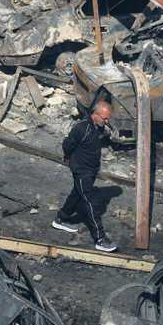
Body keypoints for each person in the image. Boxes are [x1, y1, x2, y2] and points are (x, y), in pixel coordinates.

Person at [53, 100, 117, 252]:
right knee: (90, 202)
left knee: (77, 193)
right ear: (95, 114)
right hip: (81, 170)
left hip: (92, 169)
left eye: (108, 119)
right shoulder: (82, 128)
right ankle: (100, 239)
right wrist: (67, 157)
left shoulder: (98, 126)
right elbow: (67, 144)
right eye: (105, 118)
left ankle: (61, 218)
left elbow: (97, 140)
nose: (107, 122)